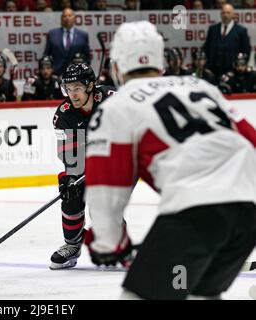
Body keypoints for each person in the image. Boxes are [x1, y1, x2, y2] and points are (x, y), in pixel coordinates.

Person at [84, 21, 256, 300]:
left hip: (195, 214)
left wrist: (107, 243)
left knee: (139, 296)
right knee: (203, 294)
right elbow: (251, 140)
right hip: (248, 214)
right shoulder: (201, 87)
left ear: (117, 64)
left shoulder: (117, 105)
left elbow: (107, 188)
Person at [50, 62, 115, 270]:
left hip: (122, 160)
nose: (72, 94)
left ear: (90, 86)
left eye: (77, 88)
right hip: (91, 160)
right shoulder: (64, 115)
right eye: (68, 89)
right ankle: (73, 244)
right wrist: (70, 177)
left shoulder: (112, 100)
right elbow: (71, 156)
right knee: (71, 190)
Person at [203, 3, 251, 80]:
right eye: (223, 13)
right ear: (220, 14)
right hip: (213, 72)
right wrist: (207, 67)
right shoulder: (213, 29)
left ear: (233, 14)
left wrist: (241, 67)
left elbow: (246, 51)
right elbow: (207, 49)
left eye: (228, 13)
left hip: (233, 73)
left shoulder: (241, 31)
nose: (225, 15)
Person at [43, 8, 90, 76]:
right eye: (64, 16)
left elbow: (87, 58)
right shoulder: (52, 34)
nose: (67, 18)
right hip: (56, 74)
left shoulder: (83, 35)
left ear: (74, 18)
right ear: (61, 19)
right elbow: (47, 54)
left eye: (69, 15)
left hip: (76, 75)